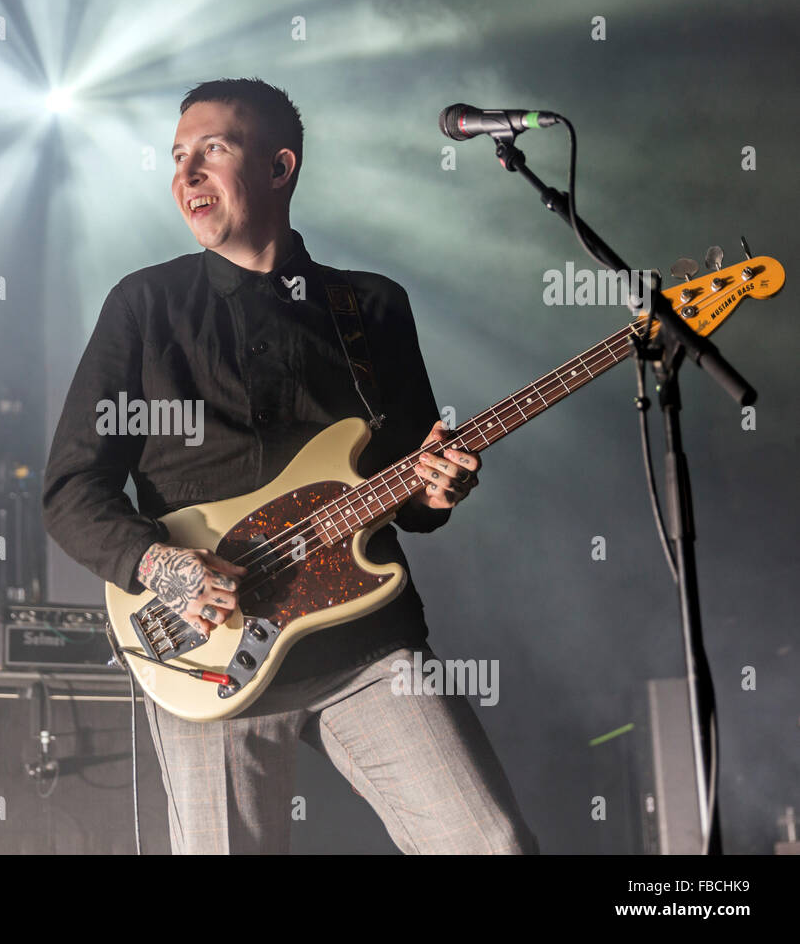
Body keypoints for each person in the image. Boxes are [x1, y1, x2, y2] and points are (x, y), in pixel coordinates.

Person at [42, 77, 538, 854]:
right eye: (177, 158)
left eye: (212, 150)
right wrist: (162, 566)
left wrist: (441, 487)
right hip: (211, 652)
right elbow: (73, 489)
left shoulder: (370, 308)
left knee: (491, 844)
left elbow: (412, 488)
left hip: (365, 644)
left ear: (279, 167)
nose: (187, 175)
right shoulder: (146, 305)